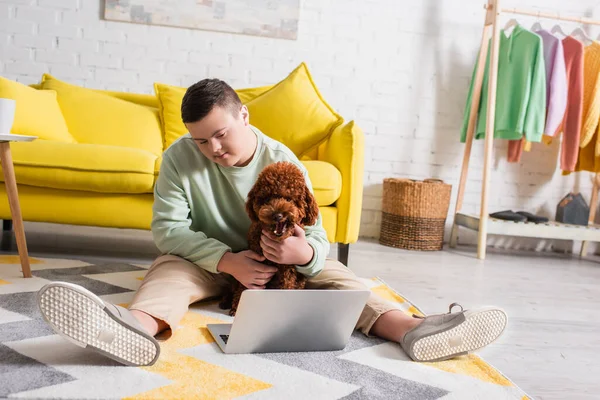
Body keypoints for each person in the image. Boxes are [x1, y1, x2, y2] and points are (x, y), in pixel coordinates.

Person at [37, 79, 507, 367]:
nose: (212, 149)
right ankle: (130, 327)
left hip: (279, 256)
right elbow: (168, 230)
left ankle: (412, 330)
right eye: (200, 141)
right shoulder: (178, 159)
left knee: (341, 278)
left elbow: (317, 231)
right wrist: (227, 260)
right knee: (168, 272)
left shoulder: (280, 158)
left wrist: (303, 254)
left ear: (244, 114)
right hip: (207, 259)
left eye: (220, 134)